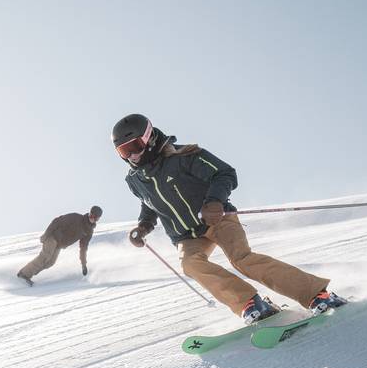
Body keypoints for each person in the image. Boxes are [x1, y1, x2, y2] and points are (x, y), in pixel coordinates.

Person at [111, 114, 347, 322]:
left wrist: (214, 201)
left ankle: (317, 294)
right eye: (124, 151)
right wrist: (143, 226)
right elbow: (149, 203)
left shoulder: (185, 156)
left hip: (217, 218)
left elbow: (224, 173)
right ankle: (250, 303)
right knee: (190, 264)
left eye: (135, 145)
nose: (132, 155)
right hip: (186, 235)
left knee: (242, 259)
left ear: (149, 137)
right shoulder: (134, 180)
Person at [17, 205, 103, 286]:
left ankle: (28, 274)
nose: (93, 219)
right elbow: (57, 221)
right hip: (53, 237)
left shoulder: (88, 232)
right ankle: (24, 274)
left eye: (96, 219)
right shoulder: (76, 217)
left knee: (50, 263)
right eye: (92, 216)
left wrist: (83, 264)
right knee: (45, 256)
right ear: (89, 213)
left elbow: (83, 248)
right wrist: (46, 235)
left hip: (59, 245)